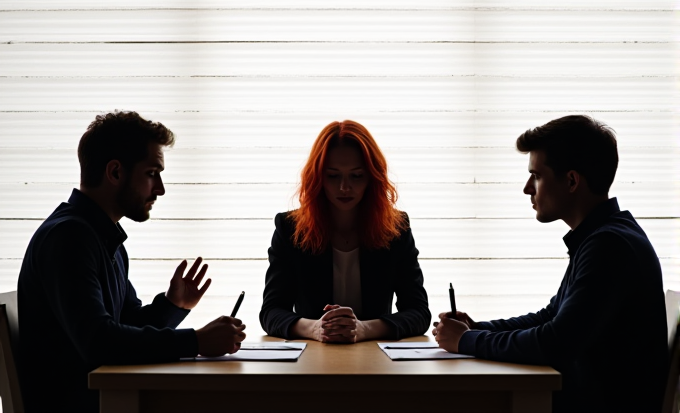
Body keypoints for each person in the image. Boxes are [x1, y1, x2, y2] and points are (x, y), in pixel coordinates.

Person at [432, 115, 668, 413]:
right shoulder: (602, 236)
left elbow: (555, 342)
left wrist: (468, 341)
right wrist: (477, 328)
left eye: (537, 176)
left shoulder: (609, 246)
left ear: (571, 181)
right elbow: (551, 317)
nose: (527, 188)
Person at [18, 112, 246, 413]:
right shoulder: (69, 237)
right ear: (115, 172)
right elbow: (100, 342)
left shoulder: (101, 237)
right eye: (152, 173)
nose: (161, 188)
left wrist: (173, 305)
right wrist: (196, 342)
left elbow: (125, 325)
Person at [260, 120, 430, 343]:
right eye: (333, 176)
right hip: (311, 360)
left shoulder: (396, 228)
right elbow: (271, 312)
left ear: (372, 177)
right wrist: (315, 328)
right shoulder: (290, 228)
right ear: (318, 178)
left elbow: (418, 312)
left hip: (376, 359)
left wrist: (363, 329)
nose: (344, 187)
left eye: (356, 176)